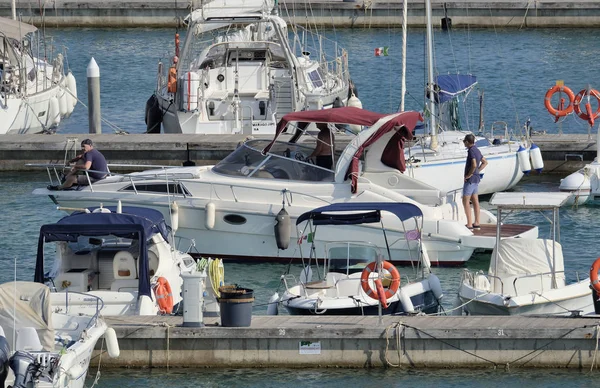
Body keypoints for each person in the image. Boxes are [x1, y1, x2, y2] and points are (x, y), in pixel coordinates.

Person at [462, 134, 488, 230]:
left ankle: (469, 224)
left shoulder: (471, 151)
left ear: (467, 142)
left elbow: (473, 164)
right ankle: (477, 222)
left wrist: (468, 175)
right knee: (475, 200)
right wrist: (478, 170)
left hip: (471, 179)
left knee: (465, 201)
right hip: (477, 178)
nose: (463, 143)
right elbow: (485, 162)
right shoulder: (477, 150)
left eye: (464, 141)